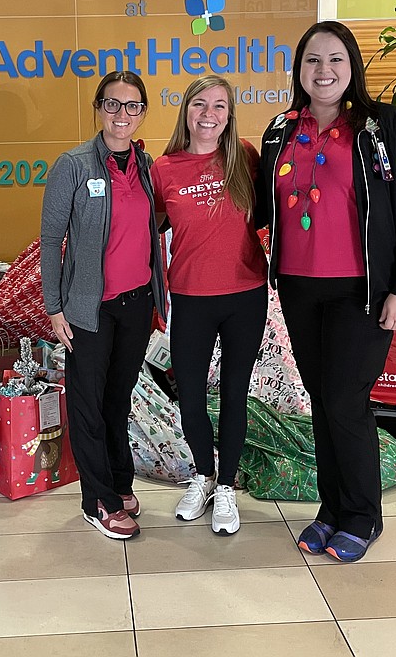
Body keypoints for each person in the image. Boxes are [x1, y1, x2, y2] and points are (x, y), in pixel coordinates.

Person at [258, 21, 396, 563]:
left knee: (345, 400)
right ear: (299, 70)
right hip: (300, 289)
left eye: (335, 59)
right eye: (313, 60)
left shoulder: (383, 127)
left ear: (352, 66)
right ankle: (330, 510)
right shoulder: (280, 130)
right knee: (322, 401)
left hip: (362, 292)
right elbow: (259, 207)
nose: (324, 70)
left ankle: (362, 515)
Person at [40, 71, 166, 540]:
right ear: (98, 108)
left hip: (135, 306)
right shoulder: (72, 165)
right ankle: (99, 501)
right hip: (89, 310)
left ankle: (119, 482)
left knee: (117, 400)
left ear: (142, 114)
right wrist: (55, 308)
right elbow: (51, 241)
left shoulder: (145, 164)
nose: (121, 115)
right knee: (89, 405)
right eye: (112, 104)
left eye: (132, 106)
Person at [151, 75, 267, 535]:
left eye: (220, 106)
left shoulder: (246, 158)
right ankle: (202, 475)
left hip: (245, 294)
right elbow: (147, 227)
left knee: (235, 394)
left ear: (229, 114)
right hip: (191, 296)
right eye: (200, 104)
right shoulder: (164, 168)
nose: (209, 114)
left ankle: (227, 489)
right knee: (192, 394)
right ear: (186, 110)